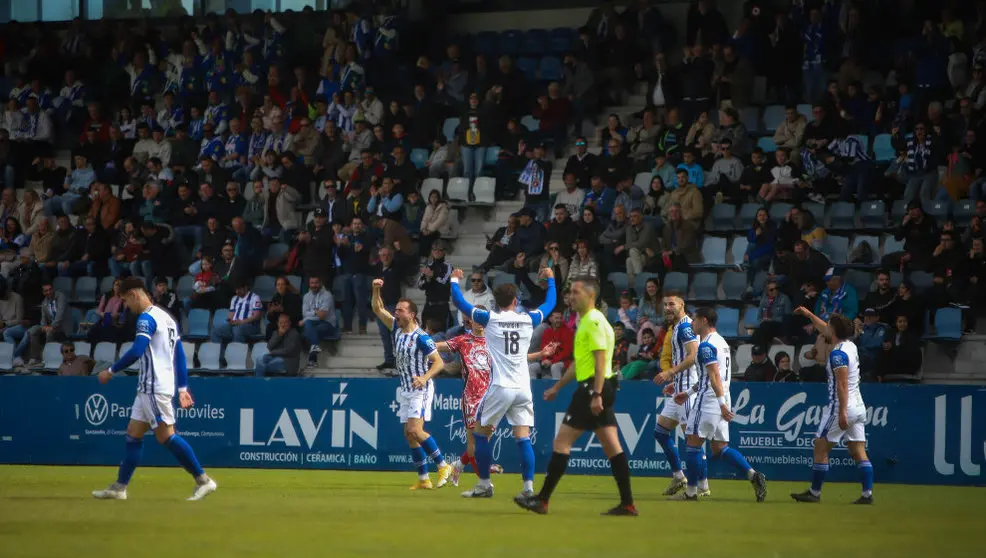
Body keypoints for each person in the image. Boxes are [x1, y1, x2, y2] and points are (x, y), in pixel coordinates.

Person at [515, 278, 637, 516]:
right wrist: (557, 387)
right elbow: (580, 364)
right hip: (598, 385)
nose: (570, 296)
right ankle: (628, 504)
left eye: (575, 292)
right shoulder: (589, 322)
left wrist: (596, 394)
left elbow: (601, 362)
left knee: (562, 442)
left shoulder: (592, 322)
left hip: (593, 387)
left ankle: (542, 500)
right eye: (570, 292)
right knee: (612, 446)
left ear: (590, 295)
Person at [92, 276, 217, 501]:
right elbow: (178, 354)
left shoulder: (145, 319)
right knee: (133, 433)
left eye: (126, 301)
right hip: (150, 388)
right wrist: (182, 388)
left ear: (134, 294)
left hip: (153, 387)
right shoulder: (166, 318)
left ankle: (203, 480)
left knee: (166, 436)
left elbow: (137, 350)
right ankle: (120, 487)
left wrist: (110, 370)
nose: (126, 307)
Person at [449, 266, 557, 498]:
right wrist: (551, 280)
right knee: (523, 438)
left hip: (501, 387)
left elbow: (459, 302)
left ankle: (484, 485)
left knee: (479, 435)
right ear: (516, 300)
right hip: (523, 388)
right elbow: (550, 304)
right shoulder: (528, 318)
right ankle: (528, 489)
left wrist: (455, 280)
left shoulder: (490, 318)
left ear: (495, 301)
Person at [670, 307, 767, 502]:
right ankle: (752, 474)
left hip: (709, 400)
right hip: (721, 396)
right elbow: (712, 376)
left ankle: (690, 493)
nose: (692, 323)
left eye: (695, 320)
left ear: (704, 321)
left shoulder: (706, 345)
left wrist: (721, 405)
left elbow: (713, 376)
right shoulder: (721, 342)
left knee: (693, 443)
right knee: (720, 447)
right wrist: (687, 393)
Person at [370, 277, 453, 490]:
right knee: (409, 435)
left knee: (416, 430)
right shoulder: (397, 329)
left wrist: (424, 377)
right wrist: (376, 289)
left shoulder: (421, 338)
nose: (396, 313)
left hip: (421, 388)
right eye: (396, 310)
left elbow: (439, 362)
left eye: (400, 310)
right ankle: (424, 479)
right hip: (405, 388)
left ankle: (443, 465)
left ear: (411, 314)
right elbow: (378, 309)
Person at [790, 306, 874, 505]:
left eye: (829, 326)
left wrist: (842, 412)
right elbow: (824, 328)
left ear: (834, 331)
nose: (825, 328)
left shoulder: (837, 355)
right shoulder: (850, 346)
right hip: (858, 405)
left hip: (841, 407)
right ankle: (867, 494)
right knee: (858, 450)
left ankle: (815, 492)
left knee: (821, 445)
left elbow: (842, 385)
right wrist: (809, 315)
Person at [651, 294, 699, 496]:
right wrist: (674, 382)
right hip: (679, 386)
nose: (667, 307)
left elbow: (693, 356)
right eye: (665, 304)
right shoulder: (678, 327)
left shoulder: (686, 326)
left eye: (672, 304)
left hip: (689, 390)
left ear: (682, 305)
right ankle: (679, 476)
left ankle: (700, 486)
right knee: (660, 432)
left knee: (693, 440)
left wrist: (671, 372)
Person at [300, 276, 337, 368]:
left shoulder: (327, 295)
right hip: (313, 324)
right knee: (310, 326)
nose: (314, 285)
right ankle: (313, 356)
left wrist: (306, 319)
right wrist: (315, 311)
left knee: (308, 327)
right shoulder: (306, 296)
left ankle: (312, 357)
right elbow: (305, 313)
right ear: (309, 284)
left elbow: (322, 316)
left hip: (328, 324)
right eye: (312, 283)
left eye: (316, 283)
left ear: (320, 283)